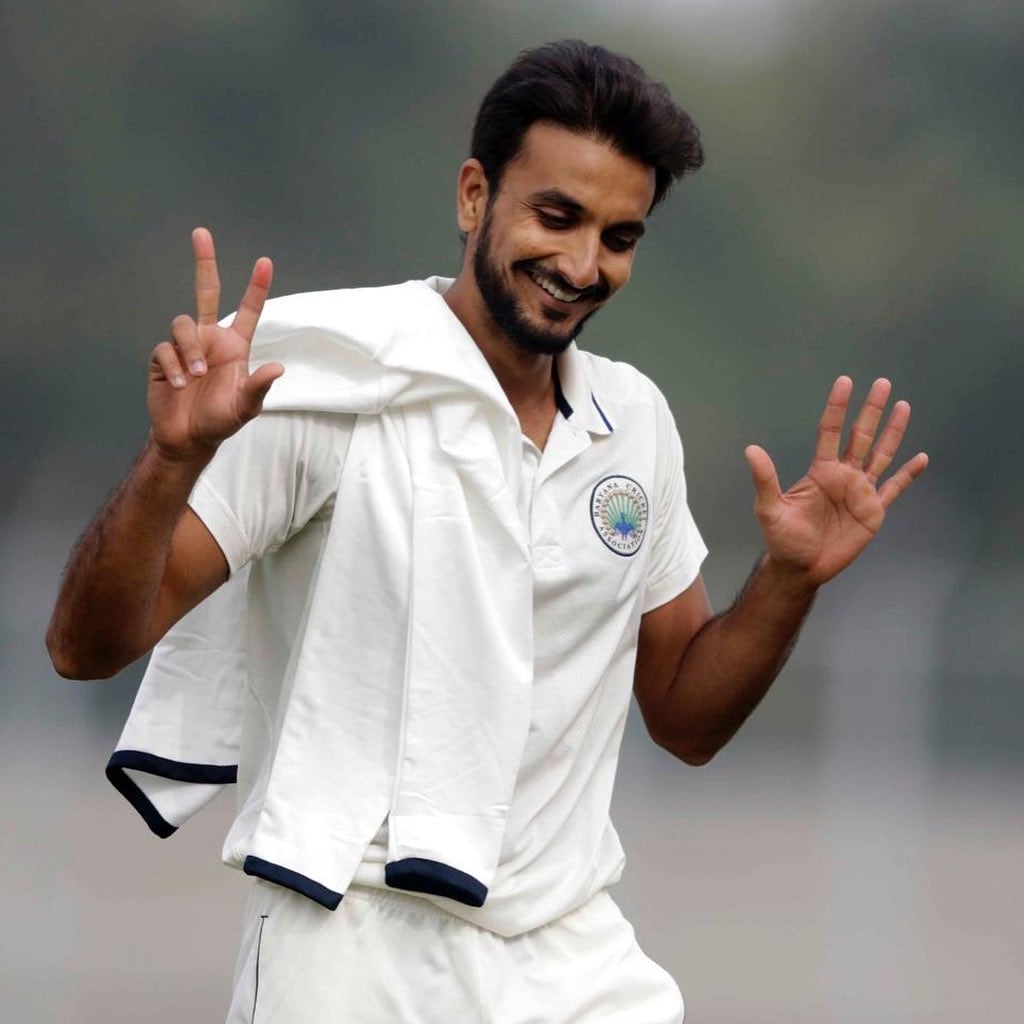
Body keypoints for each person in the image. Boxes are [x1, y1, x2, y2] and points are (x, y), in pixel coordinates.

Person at [47, 39, 927, 1024]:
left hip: (573, 958)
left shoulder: (631, 424)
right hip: (346, 943)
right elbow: (86, 646)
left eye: (619, 236)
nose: (581, 264)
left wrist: (787, 580)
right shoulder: (320, 383)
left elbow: (683, 714)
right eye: (555, 216)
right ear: (475, 196)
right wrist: (171, 463)